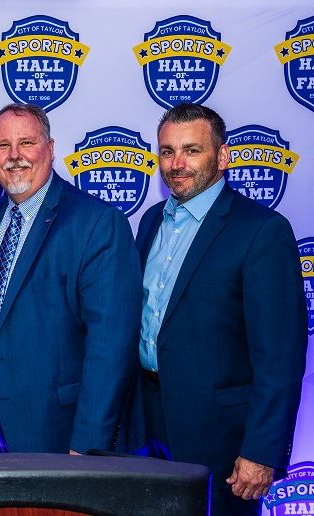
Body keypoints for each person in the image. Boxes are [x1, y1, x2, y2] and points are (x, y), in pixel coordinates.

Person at [132, 103, 307, 516]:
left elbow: (279, 356)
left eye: (192, 150)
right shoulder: (152, 220)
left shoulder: (261, 230)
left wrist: (261, 451)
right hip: (150, 422)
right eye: (167, 151)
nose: (176, 164)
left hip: (222, 439)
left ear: (222, 156)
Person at [0, 103, 142, 454]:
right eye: (2, 146)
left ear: (51, 148)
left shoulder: (96, 222)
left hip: (59, 428)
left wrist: (88, 444)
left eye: (27, 142)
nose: (14, 156)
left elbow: (111, 343)